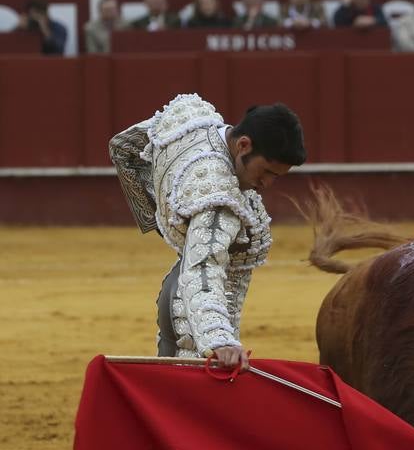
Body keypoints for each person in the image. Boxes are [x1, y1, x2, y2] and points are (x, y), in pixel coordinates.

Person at [109, 96, 307, 367]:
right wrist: (219, 340)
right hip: (194, 320)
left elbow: (123, 147)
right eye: (266, 171)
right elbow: (203, 267)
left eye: (276, 176)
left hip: (176, 290)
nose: (268, 183)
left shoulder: (193, 121)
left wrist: (160, 218)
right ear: (243, 145)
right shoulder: (218, 196)